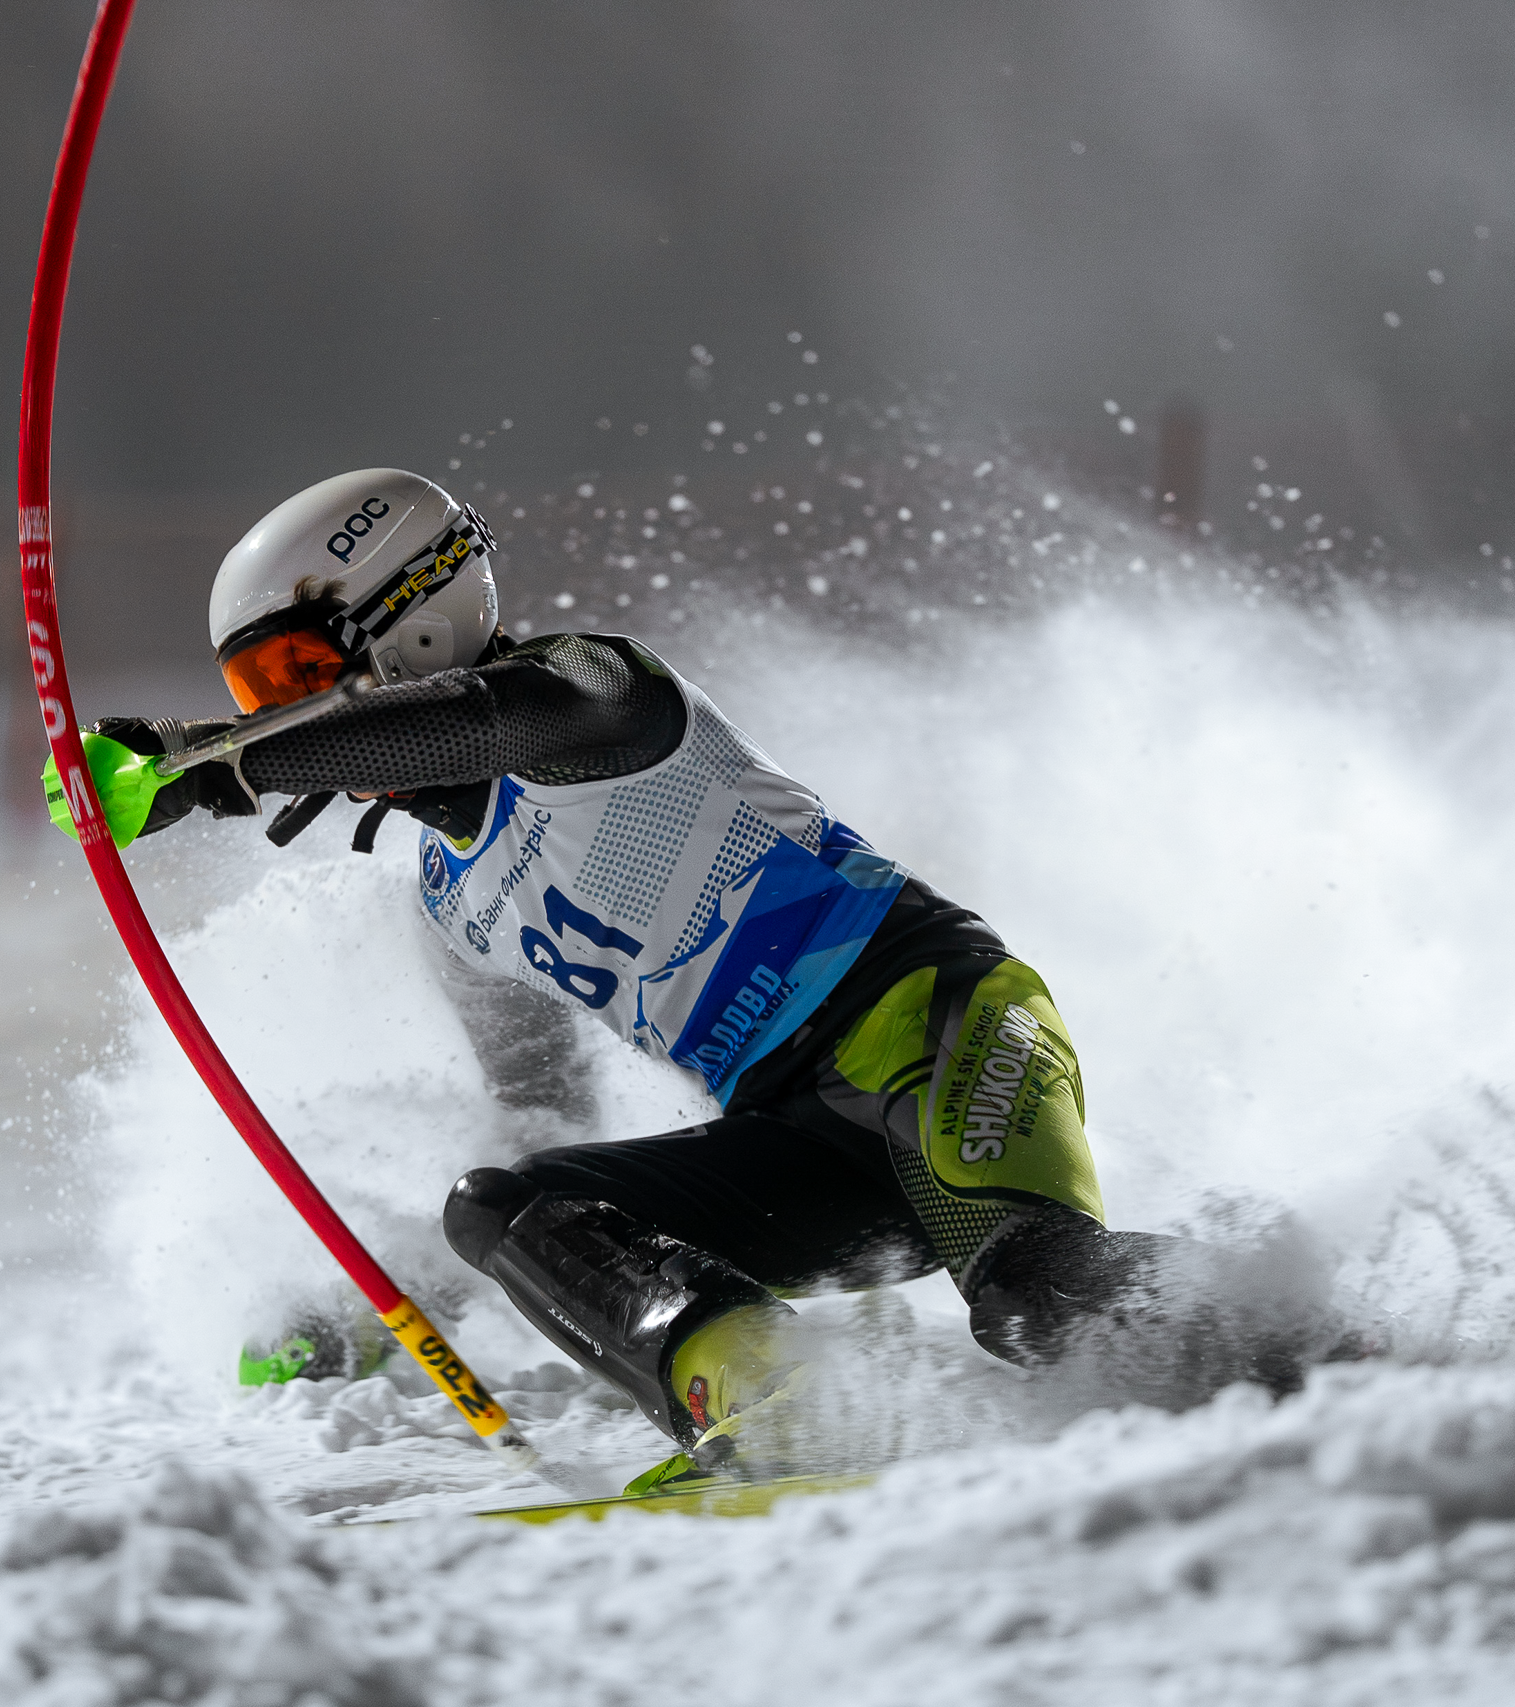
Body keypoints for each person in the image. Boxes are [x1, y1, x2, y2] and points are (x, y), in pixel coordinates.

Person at [82, 468, 1342, 1479]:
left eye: (294, 677)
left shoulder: (593, 695)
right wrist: (385, 1303)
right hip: (801, 1140)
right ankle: (774, 1408)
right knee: (500, 1205)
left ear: (407, 615)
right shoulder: (453, 905)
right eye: (251, 692)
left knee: (1036, 1307)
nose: (276, 715)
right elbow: (542, 1125)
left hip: (930, 1024)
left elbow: (481, 719)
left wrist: (222, 759)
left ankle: (1321, 1335)